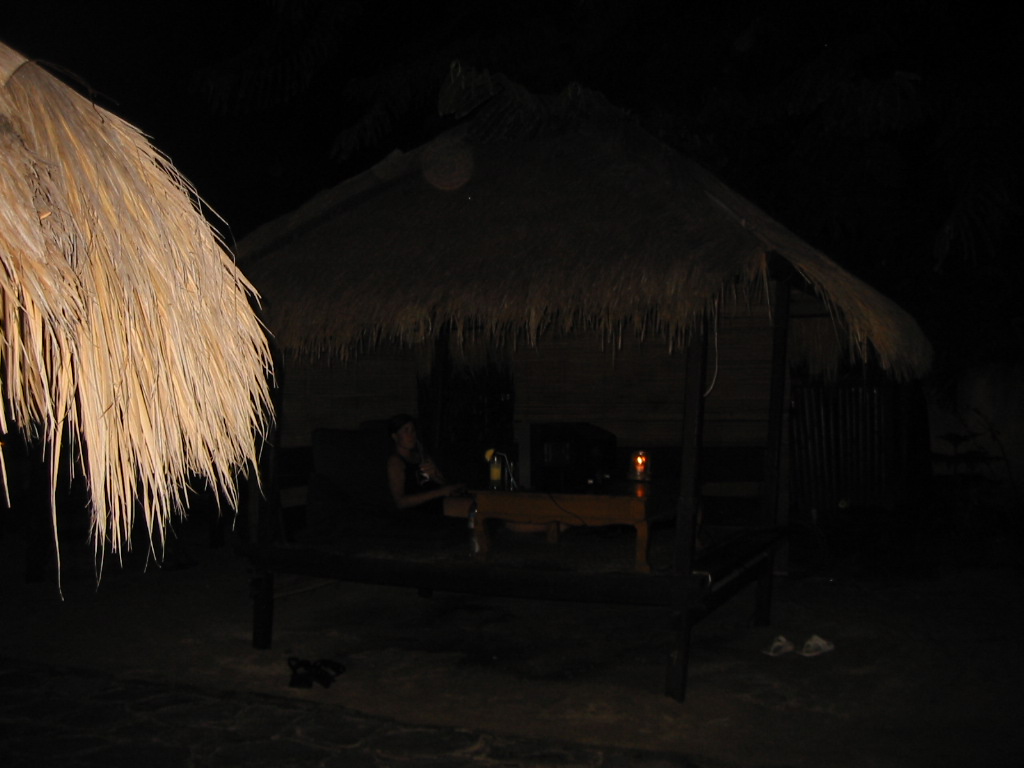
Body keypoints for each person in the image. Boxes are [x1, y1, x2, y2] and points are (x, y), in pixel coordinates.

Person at [386, 414, 464, 512]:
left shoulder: (420, 456)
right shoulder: (396, 462)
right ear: (395, 436)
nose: (412, 435)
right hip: (420, 511)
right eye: (406, 431)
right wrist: (440, 492)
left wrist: (435, 475)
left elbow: (443, 484)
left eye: (413, 430)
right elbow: (400, 502)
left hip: (439, 503)